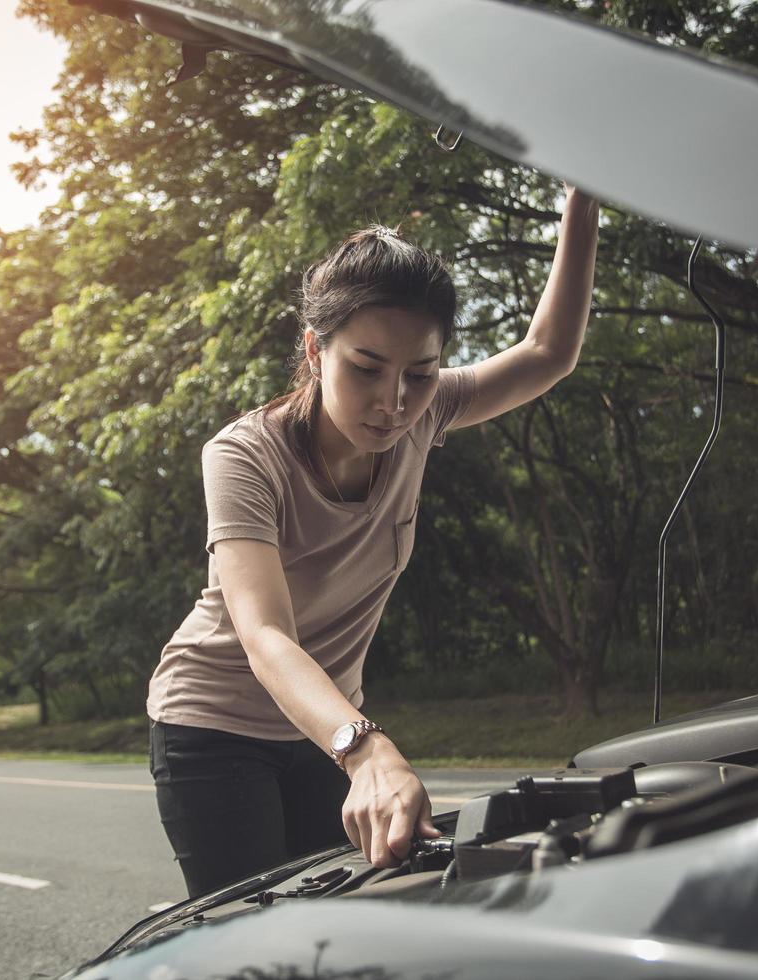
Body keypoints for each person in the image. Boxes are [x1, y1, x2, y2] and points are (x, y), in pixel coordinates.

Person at [147, 186, 600, 897]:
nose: (393, 401)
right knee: (257, 948)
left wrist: (584, 195)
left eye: (420, 374)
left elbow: (548, 351)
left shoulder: (427, 415)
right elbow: (266, 634)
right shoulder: (244, 456)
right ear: (314, 349)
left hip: (325, 733)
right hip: (216, 729)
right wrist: (364, 748)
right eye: (366, 368)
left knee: (341, 931)